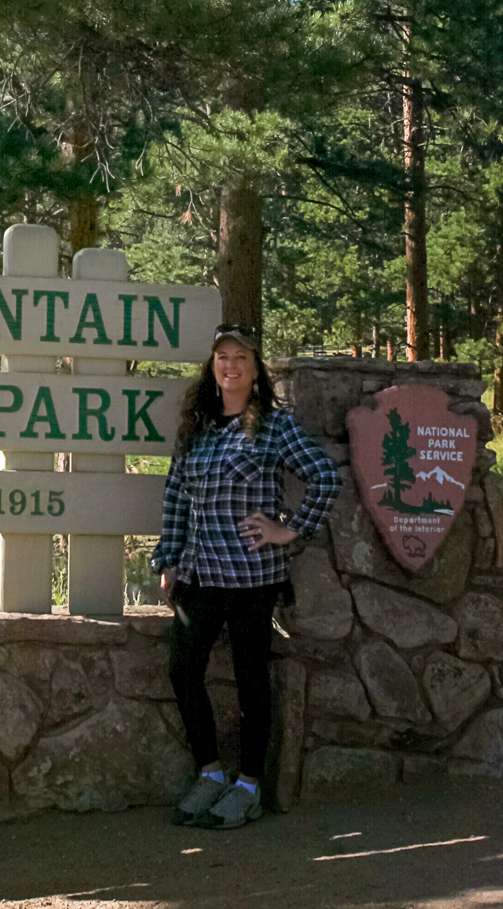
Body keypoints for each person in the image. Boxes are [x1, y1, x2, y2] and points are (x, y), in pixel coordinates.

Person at [152, 323, 341, 830]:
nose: (230, 364)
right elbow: (175, 496)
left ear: (256, 370)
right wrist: (168, 559)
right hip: (198, 577)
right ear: (211, 366)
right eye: (222, 356)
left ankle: (249, 786)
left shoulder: (276, 427)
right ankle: (210, 774)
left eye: (241, 356)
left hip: (253, 578)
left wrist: (289, 529)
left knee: (251, 682)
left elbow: (325, 476)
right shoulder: (198, 427)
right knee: (183, 671)